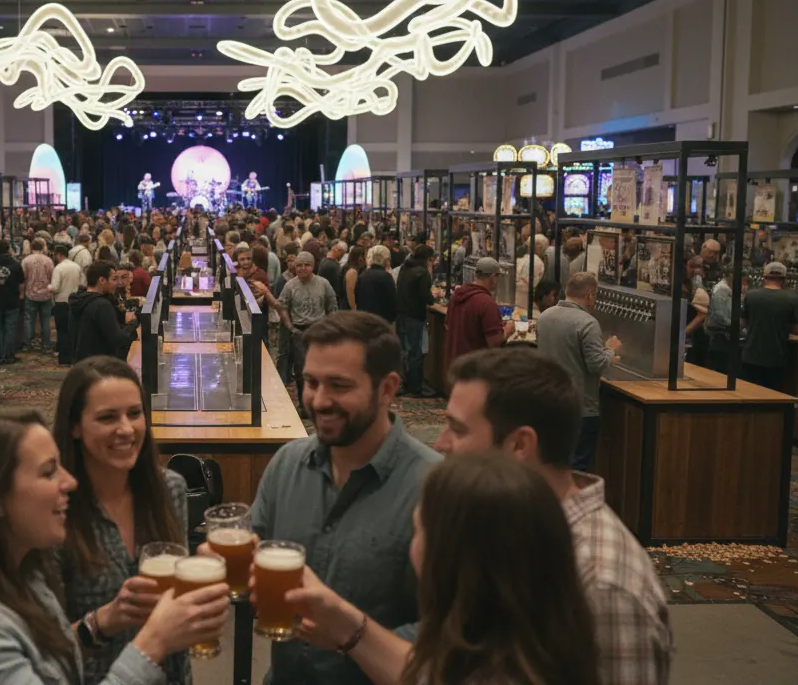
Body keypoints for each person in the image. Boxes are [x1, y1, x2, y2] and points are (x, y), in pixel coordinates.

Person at [0, 409, 230, 685]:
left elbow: (46, 669)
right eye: (48, 472)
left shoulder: (17, 573)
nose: (69, 483)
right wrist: (153, 642)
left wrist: (103, 622)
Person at [218, 311, 439, 685]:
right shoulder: (287, 464)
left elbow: (449, 644)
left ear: (387, 389)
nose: (318, 401)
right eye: (310, 382)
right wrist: (227, 568)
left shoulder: (435, 488)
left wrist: (349, 633)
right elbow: (252, 557)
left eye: (338, 385)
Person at [435, 347, 674, 684]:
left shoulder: (602, 584)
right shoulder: (502, 523)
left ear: (519, 446)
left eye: (457, 430)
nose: (440, 443)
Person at [279, 452, 600, 685]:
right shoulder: (528, 643)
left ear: (453, 557)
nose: (410, 543)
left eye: (418, 529)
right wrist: (340, 619)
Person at [50, 357, 191, 685]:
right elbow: (40, 652)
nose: (126, 429)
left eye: (135, 413)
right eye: (107, 417)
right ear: (74, 426)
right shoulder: (55, 510)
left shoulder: (170, 489)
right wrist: (105, 620)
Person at [535, 273, 622, 472]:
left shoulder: (546, 316)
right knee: (577, 468)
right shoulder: (587, 323)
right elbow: (596, 364)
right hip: (580, 407)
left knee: (552, 463)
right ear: (590, 294)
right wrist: (611, 349)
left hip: (549, 401)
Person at [273, 251, 338, 405]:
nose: (303, 268)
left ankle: (322, 398)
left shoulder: (323, 284)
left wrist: (329, 327)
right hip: (299, 331)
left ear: (313, 266)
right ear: (294, 267)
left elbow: (332, 306)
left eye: (307, 265)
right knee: (302, 369)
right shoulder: (290, 286)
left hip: (319, 331)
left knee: (322, 368)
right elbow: (282, 308)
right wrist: (290, 327)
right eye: (299, 265)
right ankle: (304, 402)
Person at [740, 261, 798, 391]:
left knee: (750, 395)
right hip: (777, 358)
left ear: (764, 277)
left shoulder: (751, 296)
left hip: (751, 356)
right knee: (772, 399)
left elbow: (743, 323)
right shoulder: (791, 299)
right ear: (784, 279)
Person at [444, 257, 513, 369]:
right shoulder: (486, 303)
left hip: (454, 366)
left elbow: (447, 325)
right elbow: (495, 345)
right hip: (474, 369)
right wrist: (508, 331)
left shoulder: (456, 296)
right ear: (492, 277)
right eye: (497, 276)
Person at [71, 261, 139, 363]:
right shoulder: (102, 305)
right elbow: (118, 339)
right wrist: (134, 323)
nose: (117, 283)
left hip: (82, 363)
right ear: (102, 280)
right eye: (114, 279)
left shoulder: (79, 300)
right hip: (100, 365)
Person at [395, 245, 435, 397]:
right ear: (427, 259)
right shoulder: (422, 273)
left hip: (402, 314)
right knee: (416, 352)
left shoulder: (405, 268)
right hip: (415, 316)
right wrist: (433, 300)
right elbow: (426, 296)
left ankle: (406, 384)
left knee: (405, 351)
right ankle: (416, 388)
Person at [0, 239, 25, 365]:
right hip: (12, 300)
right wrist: (21, 294)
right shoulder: (15, 265)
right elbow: (21, 282)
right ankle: (8, 355)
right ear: (9, 249)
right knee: (10, 328)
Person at [51, 244, 84, 366]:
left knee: (62, 331)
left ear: (59, 255)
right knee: (73, 330)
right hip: (75, 302)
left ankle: (64, 358)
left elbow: (55, 287)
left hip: (61, 302)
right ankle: (73, 355)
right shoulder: (76, 267)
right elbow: (82, 284)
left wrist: (48, 287)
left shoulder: (58, 268)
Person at [22, 238, 56, 353]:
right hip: (46, 294)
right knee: (45, 321)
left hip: (30, 294)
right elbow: (52, 277)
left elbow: (23, 278)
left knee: (29, 320)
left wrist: (22, 292)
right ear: (42, 247)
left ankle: (28, 344)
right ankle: (46, 345)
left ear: (32, 247)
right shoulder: (48, 261)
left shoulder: (26, 261)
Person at [355, 245, 397, 323]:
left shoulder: (362, 275)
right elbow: (392, 300)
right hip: (382, 319)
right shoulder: (386, 277)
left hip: (365, 318)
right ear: (385, 260)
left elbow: (357, 298)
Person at [318, 241, 346, 308]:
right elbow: (338, 285)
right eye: (342, 254)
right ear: (338, 251)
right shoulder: (332, 265)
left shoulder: (324, 261)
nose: (341, 257)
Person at [343, 245, 367, 311]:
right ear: (360, 258)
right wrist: (354, 309)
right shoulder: (352, 272)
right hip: (349, 308)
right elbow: (350, 293)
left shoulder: (356, 270)